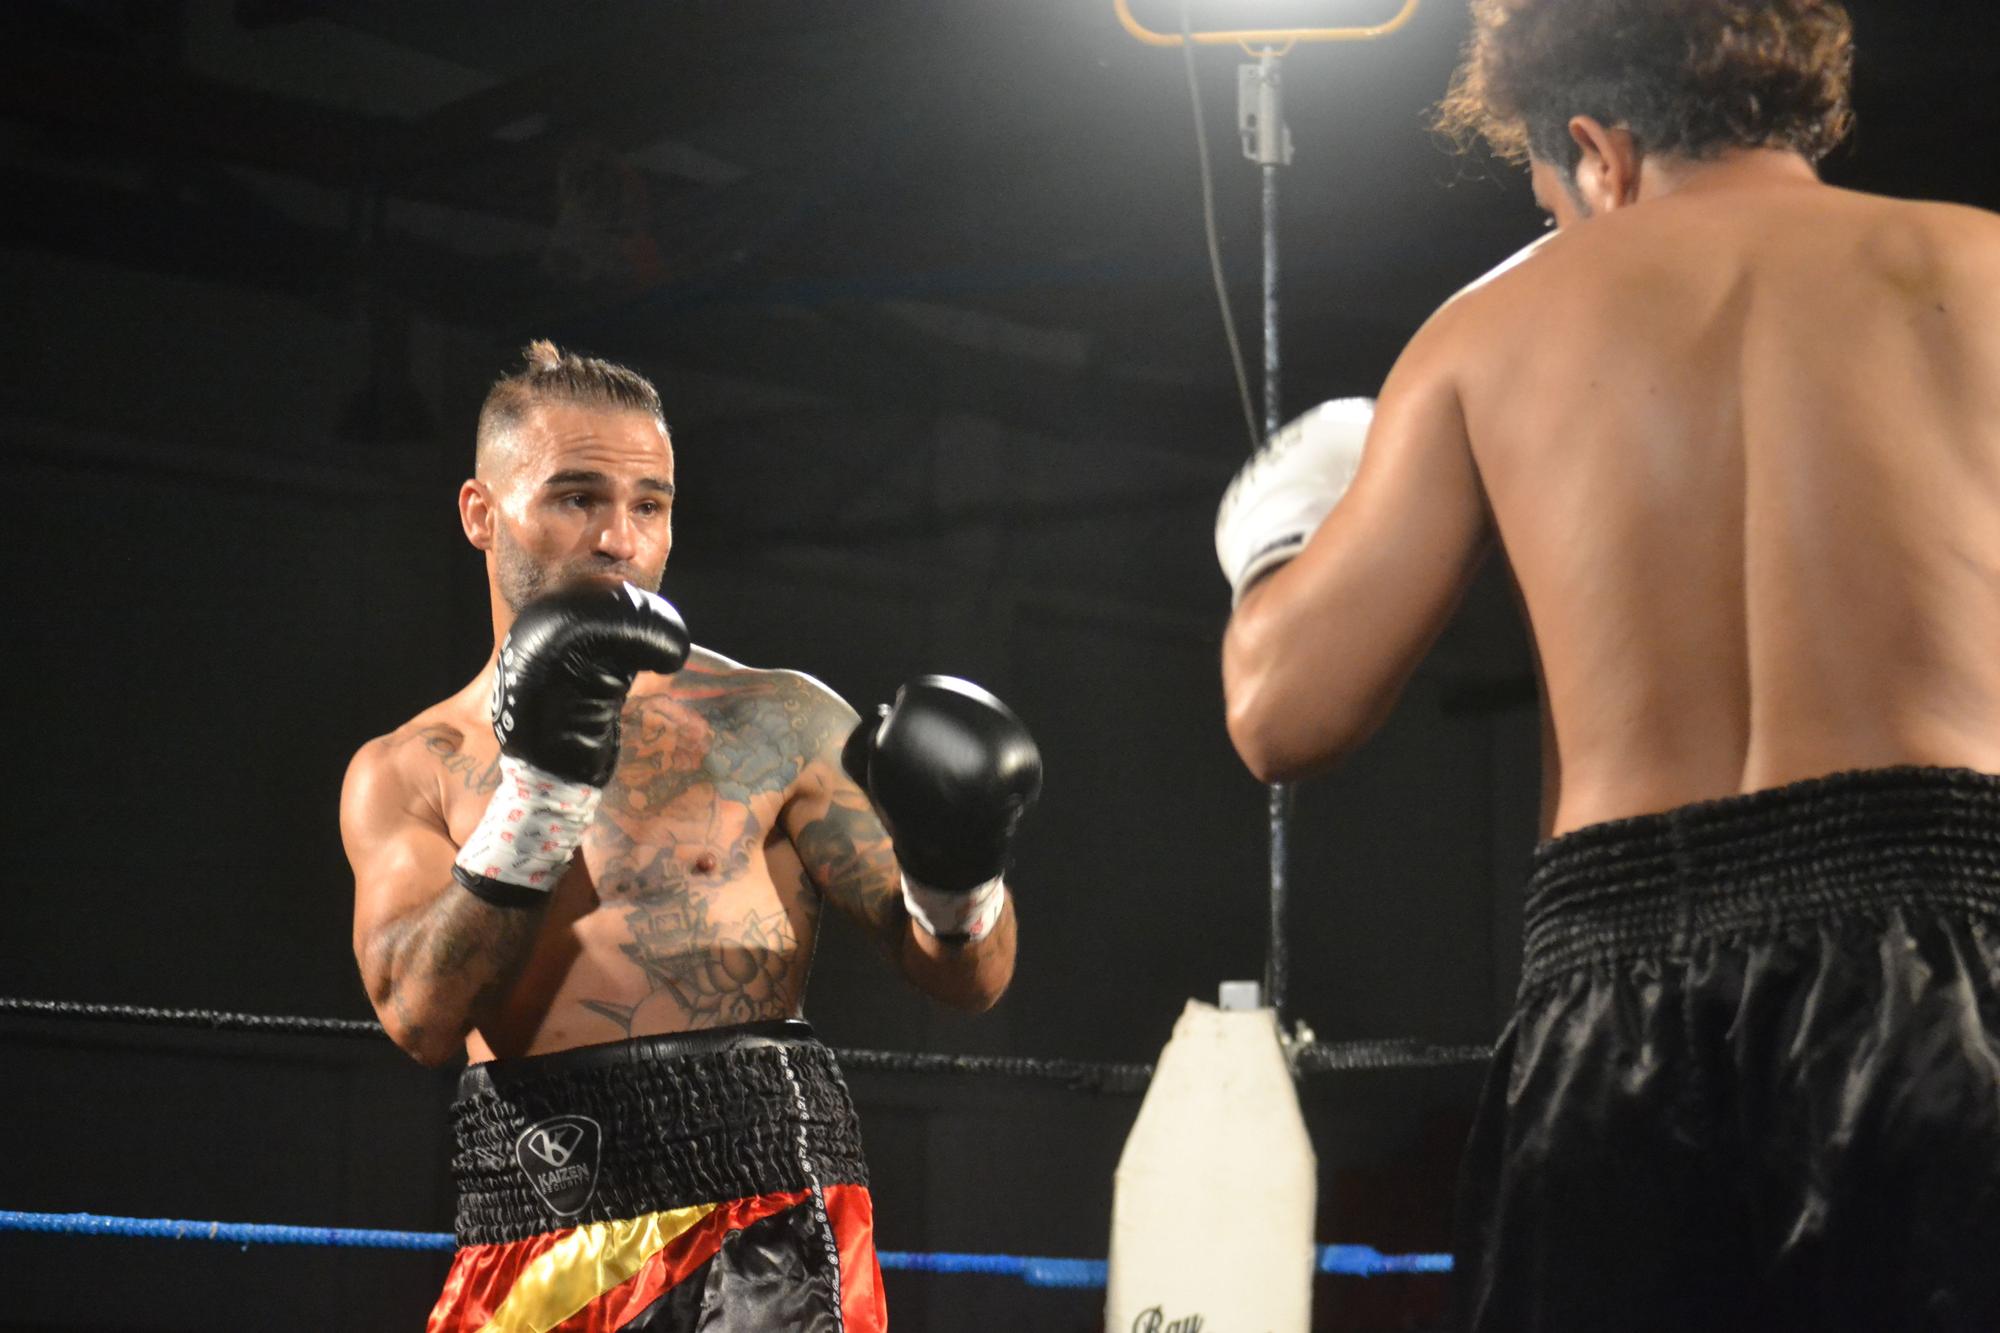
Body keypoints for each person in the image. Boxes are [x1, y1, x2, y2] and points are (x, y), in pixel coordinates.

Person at [1215, 2, 2000, 1328]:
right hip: (1953, 967)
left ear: (1596, 150)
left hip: (1619, 997)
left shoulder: (1485, 330)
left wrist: (1275, 550)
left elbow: (1282, 714)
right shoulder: (1982, 268)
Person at [339, 341, 1041, 1331]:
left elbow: (970, 980)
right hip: (528, 1225)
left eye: (650, 504)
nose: (619, 539)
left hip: (762, 1232)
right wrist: (540, 794)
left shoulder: (778, 724)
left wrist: (959, 870)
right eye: (576, 497)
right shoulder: (411, 766)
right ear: (480, 512)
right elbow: (417, 1017)